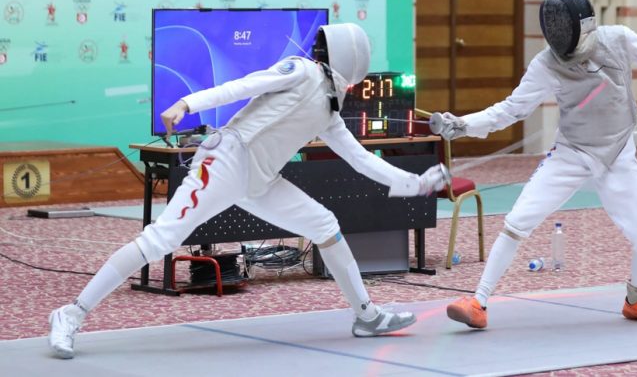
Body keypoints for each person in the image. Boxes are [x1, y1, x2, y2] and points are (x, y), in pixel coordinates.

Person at [49, 23, 450, 359]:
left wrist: (415, 183)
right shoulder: (302, 71)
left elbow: (361, 160)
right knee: (161, 239)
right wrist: (187, 103)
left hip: (260, 181)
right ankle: (71, 313)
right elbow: (244, 85)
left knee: (325, 225)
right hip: (225, 162)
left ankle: (367, 315)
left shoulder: (329, 113)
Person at [434, 0, 637, 329]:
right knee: (517, 221)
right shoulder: (547, 63)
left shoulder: (618, 39)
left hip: (618, 154)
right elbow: (511, 109)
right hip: (572, 152)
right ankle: (478, 302)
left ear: (585, 26)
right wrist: (464, 125)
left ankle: (636, 301)